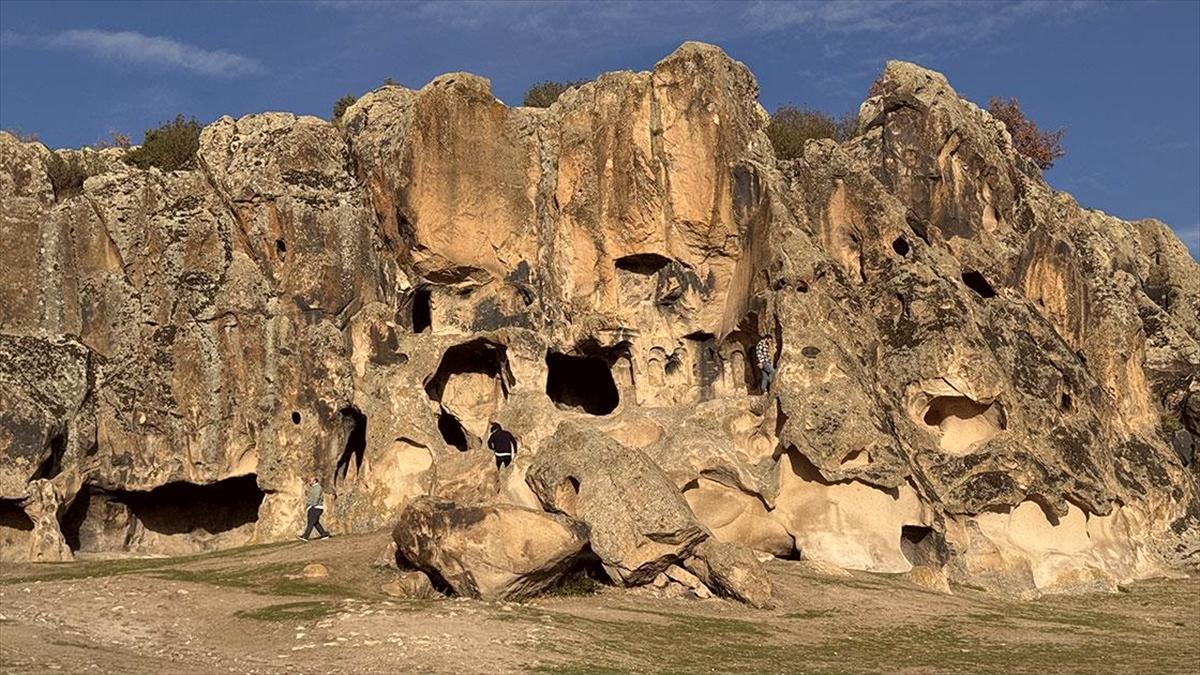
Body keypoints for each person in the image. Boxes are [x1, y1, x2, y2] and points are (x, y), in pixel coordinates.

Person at [298, 476, 331, 541]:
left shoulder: (317, 488)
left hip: (316, 507)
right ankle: (324, 534)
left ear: (315, 481)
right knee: (315, 522)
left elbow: (316, 497)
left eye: (311, 480)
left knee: (311, 522)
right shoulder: (313, 488)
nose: (310, 481)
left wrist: (313, 505)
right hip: (314, 507)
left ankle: (305, 536)